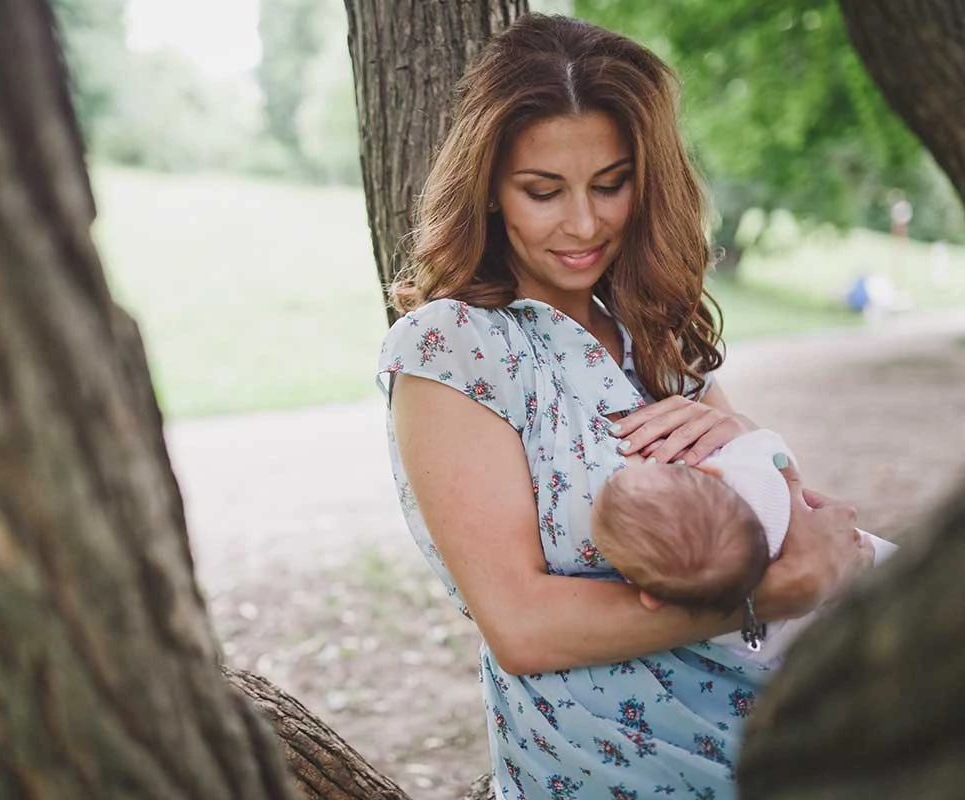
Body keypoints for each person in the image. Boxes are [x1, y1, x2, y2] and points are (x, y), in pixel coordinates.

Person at [376, 14, 872, 799]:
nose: (584, 223)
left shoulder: (655, 330)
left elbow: (777, 522)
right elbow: (524, 627)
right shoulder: (456, 348)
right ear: (492, 193)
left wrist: (746, 436)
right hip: (613, 774)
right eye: (544, 191)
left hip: (783, 746)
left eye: (611, 184)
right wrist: (768, 598)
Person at [591, 429, 897, 665]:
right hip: (862, 555)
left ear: (652, 598)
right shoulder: (757, 483)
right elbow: (765, 445)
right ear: (711, 471)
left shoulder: (718, 630)